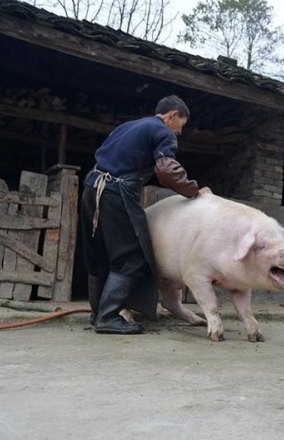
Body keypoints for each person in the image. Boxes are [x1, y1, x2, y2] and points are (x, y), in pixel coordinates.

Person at [80, 95, 201, 335]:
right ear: (172, 115)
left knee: (101, 255)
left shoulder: (128, 126)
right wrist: (193, 190)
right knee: (132, 257)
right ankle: (108, 316)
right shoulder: (162, 132)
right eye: (181, 126)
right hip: (115, 192)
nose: (179, 133)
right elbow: (166, 171)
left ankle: (98, 314)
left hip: (91, 187)